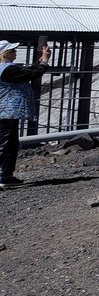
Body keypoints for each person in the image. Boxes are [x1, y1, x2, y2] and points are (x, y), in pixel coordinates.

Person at [0, 40, 51, 188]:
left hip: (8, 112)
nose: (16, 52)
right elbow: (33, 73)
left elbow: (28, 71)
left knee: (11, 144)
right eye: (13, 50)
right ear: (5, 53)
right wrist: (44, 62)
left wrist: (41, 60)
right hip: (6, 112)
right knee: (5, 144)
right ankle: (4, 175)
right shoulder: (8, 70)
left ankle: (6, 176)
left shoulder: (5, 68)